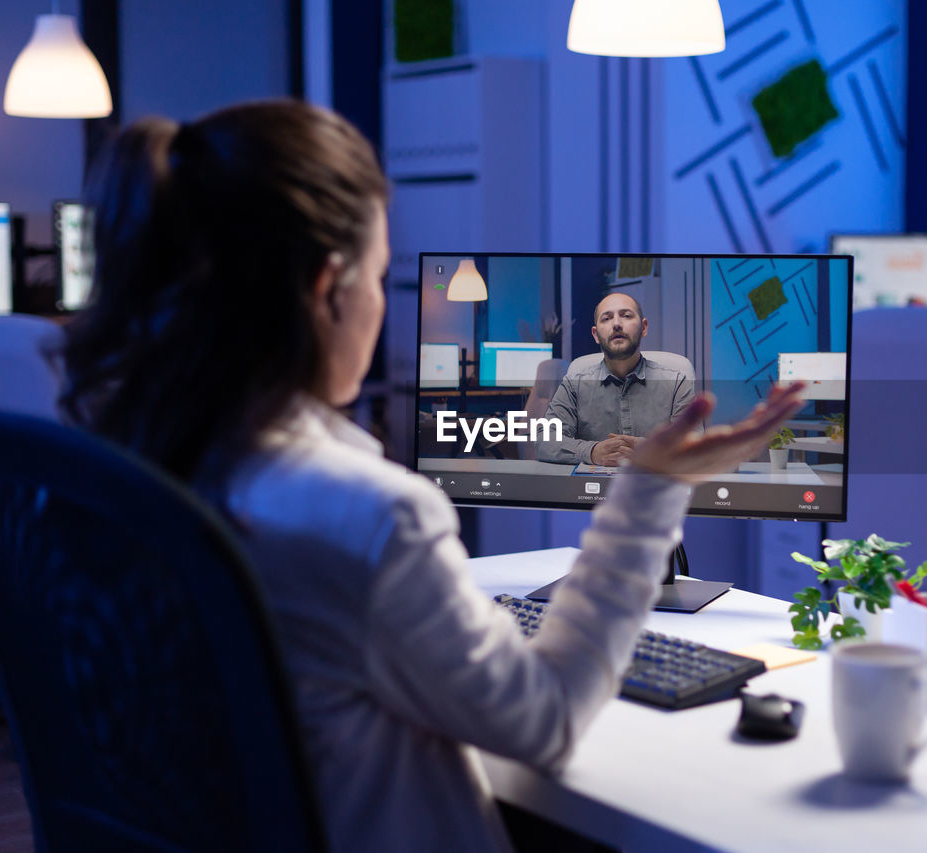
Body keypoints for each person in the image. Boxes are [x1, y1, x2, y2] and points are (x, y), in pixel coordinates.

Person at [59, 99, 803, 853]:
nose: (384, 304)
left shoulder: (120, 465)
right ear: (328, 289)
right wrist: (649, 492)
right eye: (381, 277)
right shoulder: (374, 518)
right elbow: (544, 720)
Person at [536, 292, 696, 466]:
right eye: (606, 318)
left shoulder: (677, 381)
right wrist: (592, 452)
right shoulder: (575, 383)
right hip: (592, 490)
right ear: (595, 335)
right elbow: (545, 440)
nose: (617, 324)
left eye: (626, 316)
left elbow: (694, 444)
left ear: (643, 327)